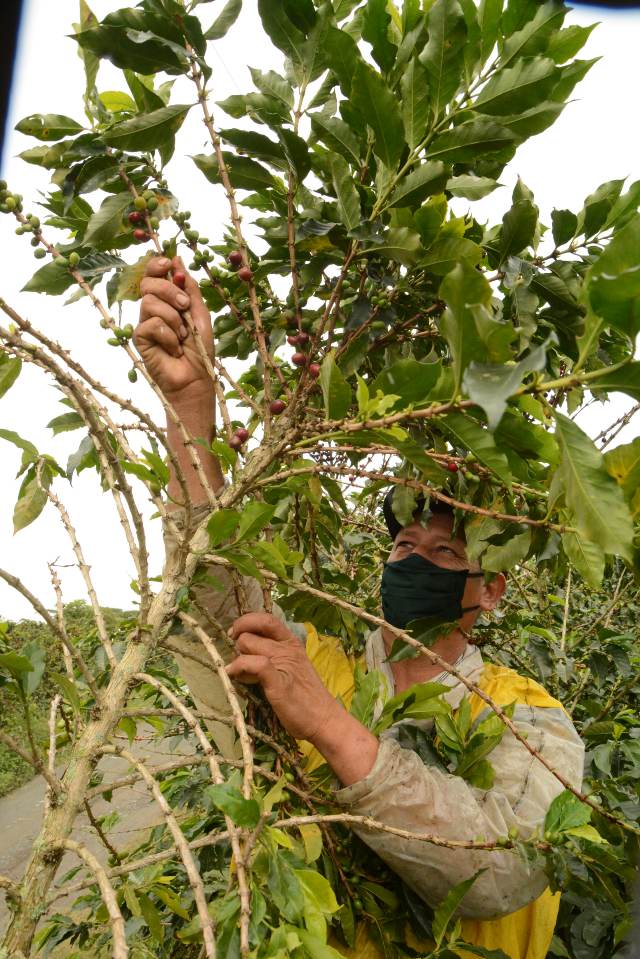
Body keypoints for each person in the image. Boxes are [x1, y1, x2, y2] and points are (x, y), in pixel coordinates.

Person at [135, 256, 585, 959]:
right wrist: (191, 413)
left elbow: (506, 867)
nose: (412, 563)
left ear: (491, 588)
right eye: (404, 543)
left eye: (442, 555)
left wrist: (331, 727)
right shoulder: (321, 663)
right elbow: (217, 597)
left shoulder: (531, 718)